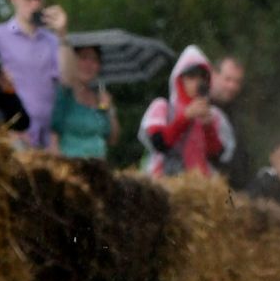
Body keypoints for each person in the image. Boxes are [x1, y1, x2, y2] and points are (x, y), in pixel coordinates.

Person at [0, 0, 70, 148]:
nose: (34, 4)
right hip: (11, 132)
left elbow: (66, 79)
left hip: (45, 136)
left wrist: (63, 34)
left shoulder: (51, 40)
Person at [139, 45, 229, 177]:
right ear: (179, 79)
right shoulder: (162, 107)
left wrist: (208, 128)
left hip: (200, 186)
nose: (198, 82)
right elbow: (159, 144)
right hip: (165, 183)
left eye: (202, 76)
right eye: (191, 76)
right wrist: (185, 117)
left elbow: (217, 157)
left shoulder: (214, 115)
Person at [48, 43, 118, 160]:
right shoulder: (63, 95)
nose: (89, 65)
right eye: (83, 58)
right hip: (70, 168)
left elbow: (113, 139)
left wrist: (109, 109)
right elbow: (52, 136)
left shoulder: (99, 99)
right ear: (72, 61)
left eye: (95, 60)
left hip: (98, 169)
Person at [210, 55, 251, 188]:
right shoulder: (201, 107)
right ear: (214, 75)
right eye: (227, 79)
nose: (232, 86)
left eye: (237, 82)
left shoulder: (235, 110)